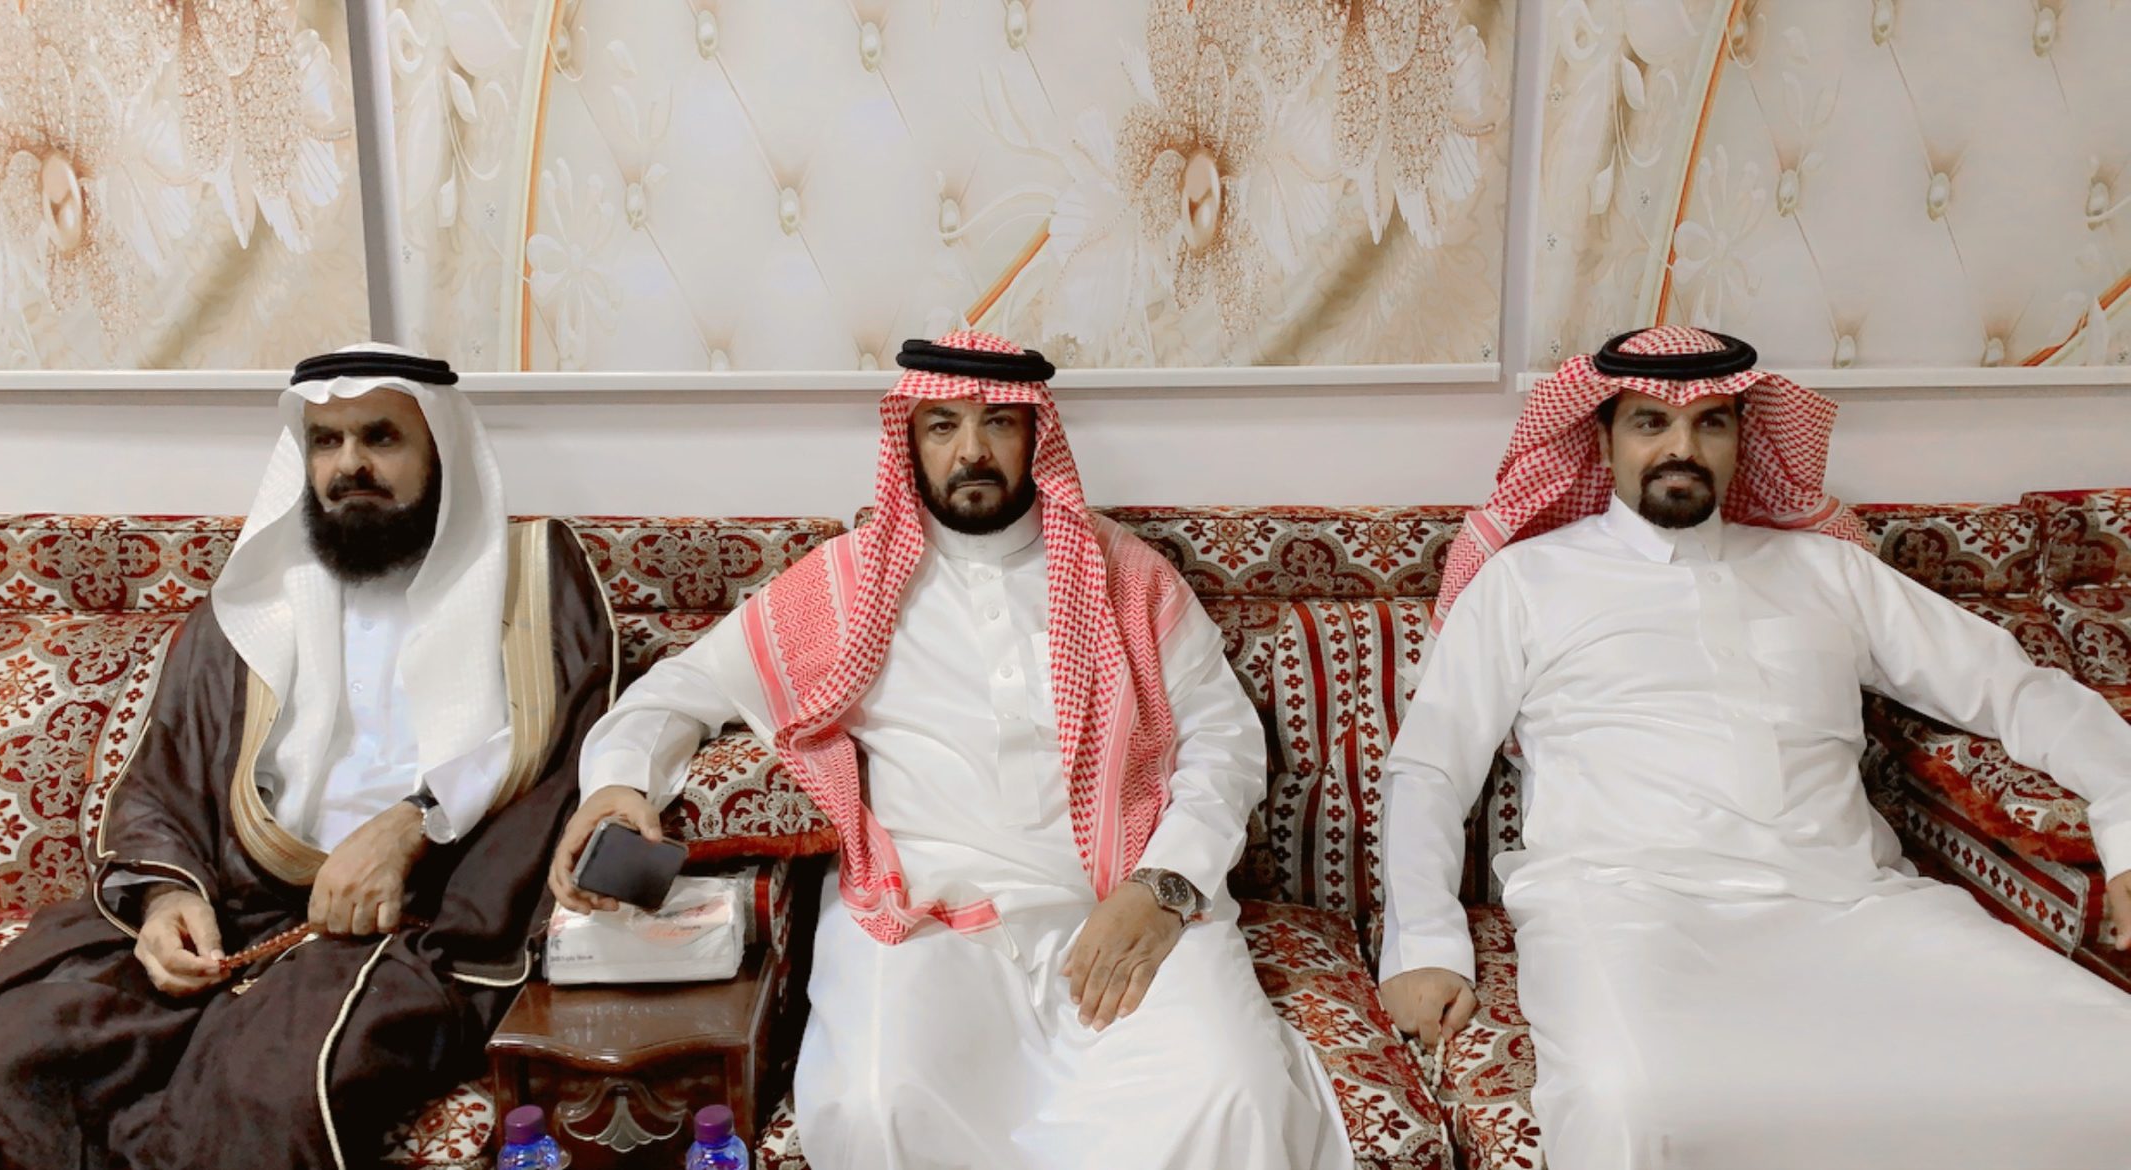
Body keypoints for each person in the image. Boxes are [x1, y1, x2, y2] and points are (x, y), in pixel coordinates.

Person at [552, 331, 1352, 1170]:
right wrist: (617, 786)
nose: (971, 451)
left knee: (1238, 1098)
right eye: (943, 425)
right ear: (909, 441)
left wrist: (1165, 887)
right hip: (927, 924)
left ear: (1036, 436)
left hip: (1125, 906)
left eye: (997, 422)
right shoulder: (845, 587)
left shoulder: (1128, 576)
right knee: (877, 1107)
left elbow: (1226, 742)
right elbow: (678, 691)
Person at [1376, 325, 2131, 1169]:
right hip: (1627, 913)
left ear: (1744, 439)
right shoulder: (1525, 581)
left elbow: (2015, 689)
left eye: (1712, 423)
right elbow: (1431, 768)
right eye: (1650, 422)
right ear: (1603, 439)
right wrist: (1424, 947)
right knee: (1638, 1108)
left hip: (1859, 908)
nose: (1682, 448)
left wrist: (2126, 819)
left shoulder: (1829, 572)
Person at [0, 345, 617, 1170]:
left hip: (403, 929)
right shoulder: (256, 595)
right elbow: (164, 777)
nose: (350, 465)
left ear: (441, 450)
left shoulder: (531, 577)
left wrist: (412, 826)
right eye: (326, 441)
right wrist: (166, 900)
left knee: (260, 1101)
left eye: (381, 437)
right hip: (234, 906)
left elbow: (562, 750)